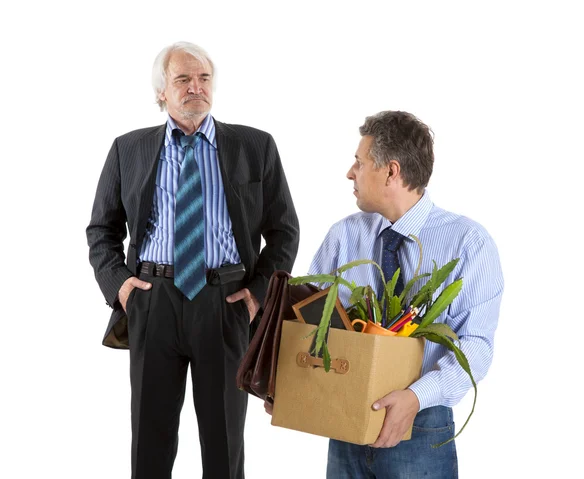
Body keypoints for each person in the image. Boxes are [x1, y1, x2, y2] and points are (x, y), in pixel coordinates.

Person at [87, 41, 299, 479]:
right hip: (152, 300)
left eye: (203, 78)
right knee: (150, 440)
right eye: (182, 79)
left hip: (225, 302)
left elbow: (283, 232)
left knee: (224, 444)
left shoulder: (254, 146)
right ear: (161, 92)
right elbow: (101, 231)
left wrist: (257, 296)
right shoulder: (129, 149)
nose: (195, 87)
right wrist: (122, 287)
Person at [266, 111, 503, 478]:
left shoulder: (467, 243)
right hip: (345, 418)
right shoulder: (344, 236)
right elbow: (312, 320)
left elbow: (476, 346)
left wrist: (416, 396)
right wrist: (286, 381)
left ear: (391, 171)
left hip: (420, 425)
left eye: (359, 163)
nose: (350, 173)